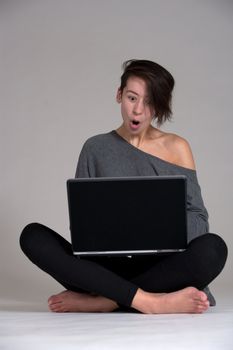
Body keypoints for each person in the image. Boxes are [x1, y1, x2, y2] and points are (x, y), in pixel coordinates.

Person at [20, 59, 227, 314]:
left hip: (164, 265)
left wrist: (156, 226)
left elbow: (199, 220)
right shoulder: (94, 148)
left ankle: (108, 300)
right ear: (119, 95)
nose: (138, 110)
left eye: (149, 102)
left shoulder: (177, 147)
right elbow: (82, 227)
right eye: (132, 98)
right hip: (109, 267)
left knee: (213, 248)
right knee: (32, 236)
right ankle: (151, 301)